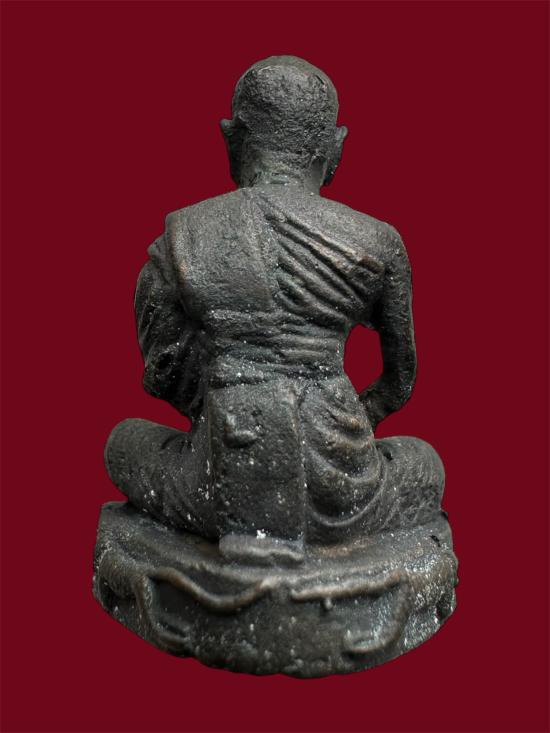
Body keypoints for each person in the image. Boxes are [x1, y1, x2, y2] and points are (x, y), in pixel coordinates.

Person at [105, 56, 444, 552]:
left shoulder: (185, 237)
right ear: (335, 148)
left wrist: (223, 403)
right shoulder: (377, 241)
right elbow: (400, 381)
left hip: (220, 476)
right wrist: (349, 421)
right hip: (344, 486)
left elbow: (163, 370)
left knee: (122, 443)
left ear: (231, 139)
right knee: (424, 461)